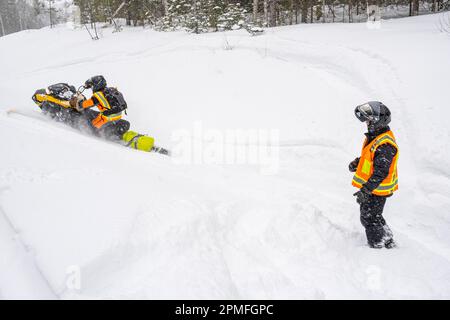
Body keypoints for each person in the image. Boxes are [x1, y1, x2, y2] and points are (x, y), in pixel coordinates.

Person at [349, 101, 399, 249]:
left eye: (369, 121)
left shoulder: (385, 144)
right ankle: (387, 239)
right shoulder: (376, 138)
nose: (367, 124)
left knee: (369, 217)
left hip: (378, 189)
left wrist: (365, 190)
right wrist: (358, 163)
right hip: (373, 188)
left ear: (378, 122)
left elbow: (380, 172)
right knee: (373, 215)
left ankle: (378, 246)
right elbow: (371, 158)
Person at [70, 75, 130, 140]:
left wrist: (79, 103)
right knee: (94, 114)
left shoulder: (98, 95)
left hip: (107, 118)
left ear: (96, 85)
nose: (92, 88)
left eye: (92, 86)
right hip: (116, 117)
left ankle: (96, 134)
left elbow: (86, 104)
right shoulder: (111, 90)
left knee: (92, 126)